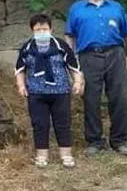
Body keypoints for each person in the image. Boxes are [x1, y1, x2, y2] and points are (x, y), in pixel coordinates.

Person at [65, 0, 127, 156]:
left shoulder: (116, 8)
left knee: (119, 98)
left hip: (115, 54)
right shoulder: (76, 9)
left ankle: (119, 141)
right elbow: (69, 35)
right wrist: (71, 63)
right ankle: (94, 141)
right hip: (88, 56)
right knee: (91, 99)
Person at [15, 14, 83, 168]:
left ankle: (66, 155)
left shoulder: (60, 45)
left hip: (60, 92)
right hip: (36, 93)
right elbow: (20, 69)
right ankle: (41, 156)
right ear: (32, 30)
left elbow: (74, 67)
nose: (41, 32)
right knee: (40, 124)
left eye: (44, 29)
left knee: (63, 123)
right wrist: (21, 86)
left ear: (51, 29)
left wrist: (77, 82)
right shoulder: (27, 47)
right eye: (37, 29)